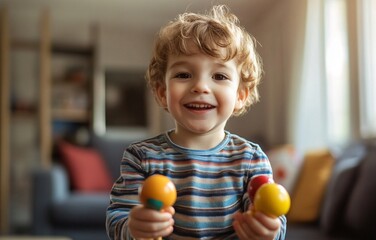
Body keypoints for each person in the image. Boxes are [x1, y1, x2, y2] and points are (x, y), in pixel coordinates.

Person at [106, 5, 287, 240]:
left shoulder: (251, 159)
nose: (200, 86)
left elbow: (271, 220)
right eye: (183, 75)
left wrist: (267, 230)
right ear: (162, 92)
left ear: (240, 95)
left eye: (219, 76)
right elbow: (117, 219)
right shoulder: (141, 157)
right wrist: (135, 227)